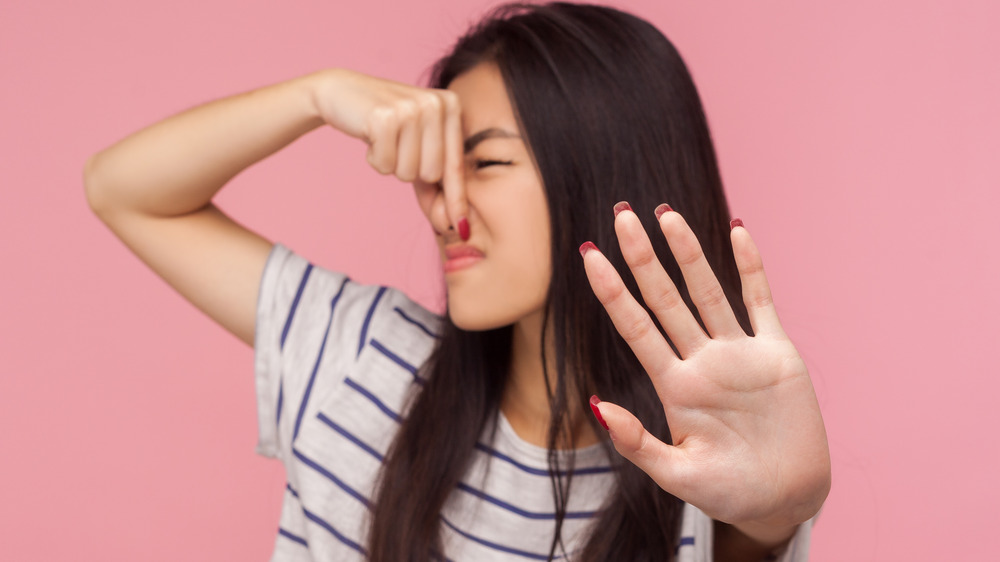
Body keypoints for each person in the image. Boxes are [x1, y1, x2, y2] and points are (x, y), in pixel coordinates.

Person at [84, 2, 830, 561]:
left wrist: (783, 509)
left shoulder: (698, 464)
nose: (444, 207)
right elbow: (123, 190)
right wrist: (318, 95)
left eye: (487, 162)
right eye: (439, 169)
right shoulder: (362, 355)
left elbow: (757, 516)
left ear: (604, 174)